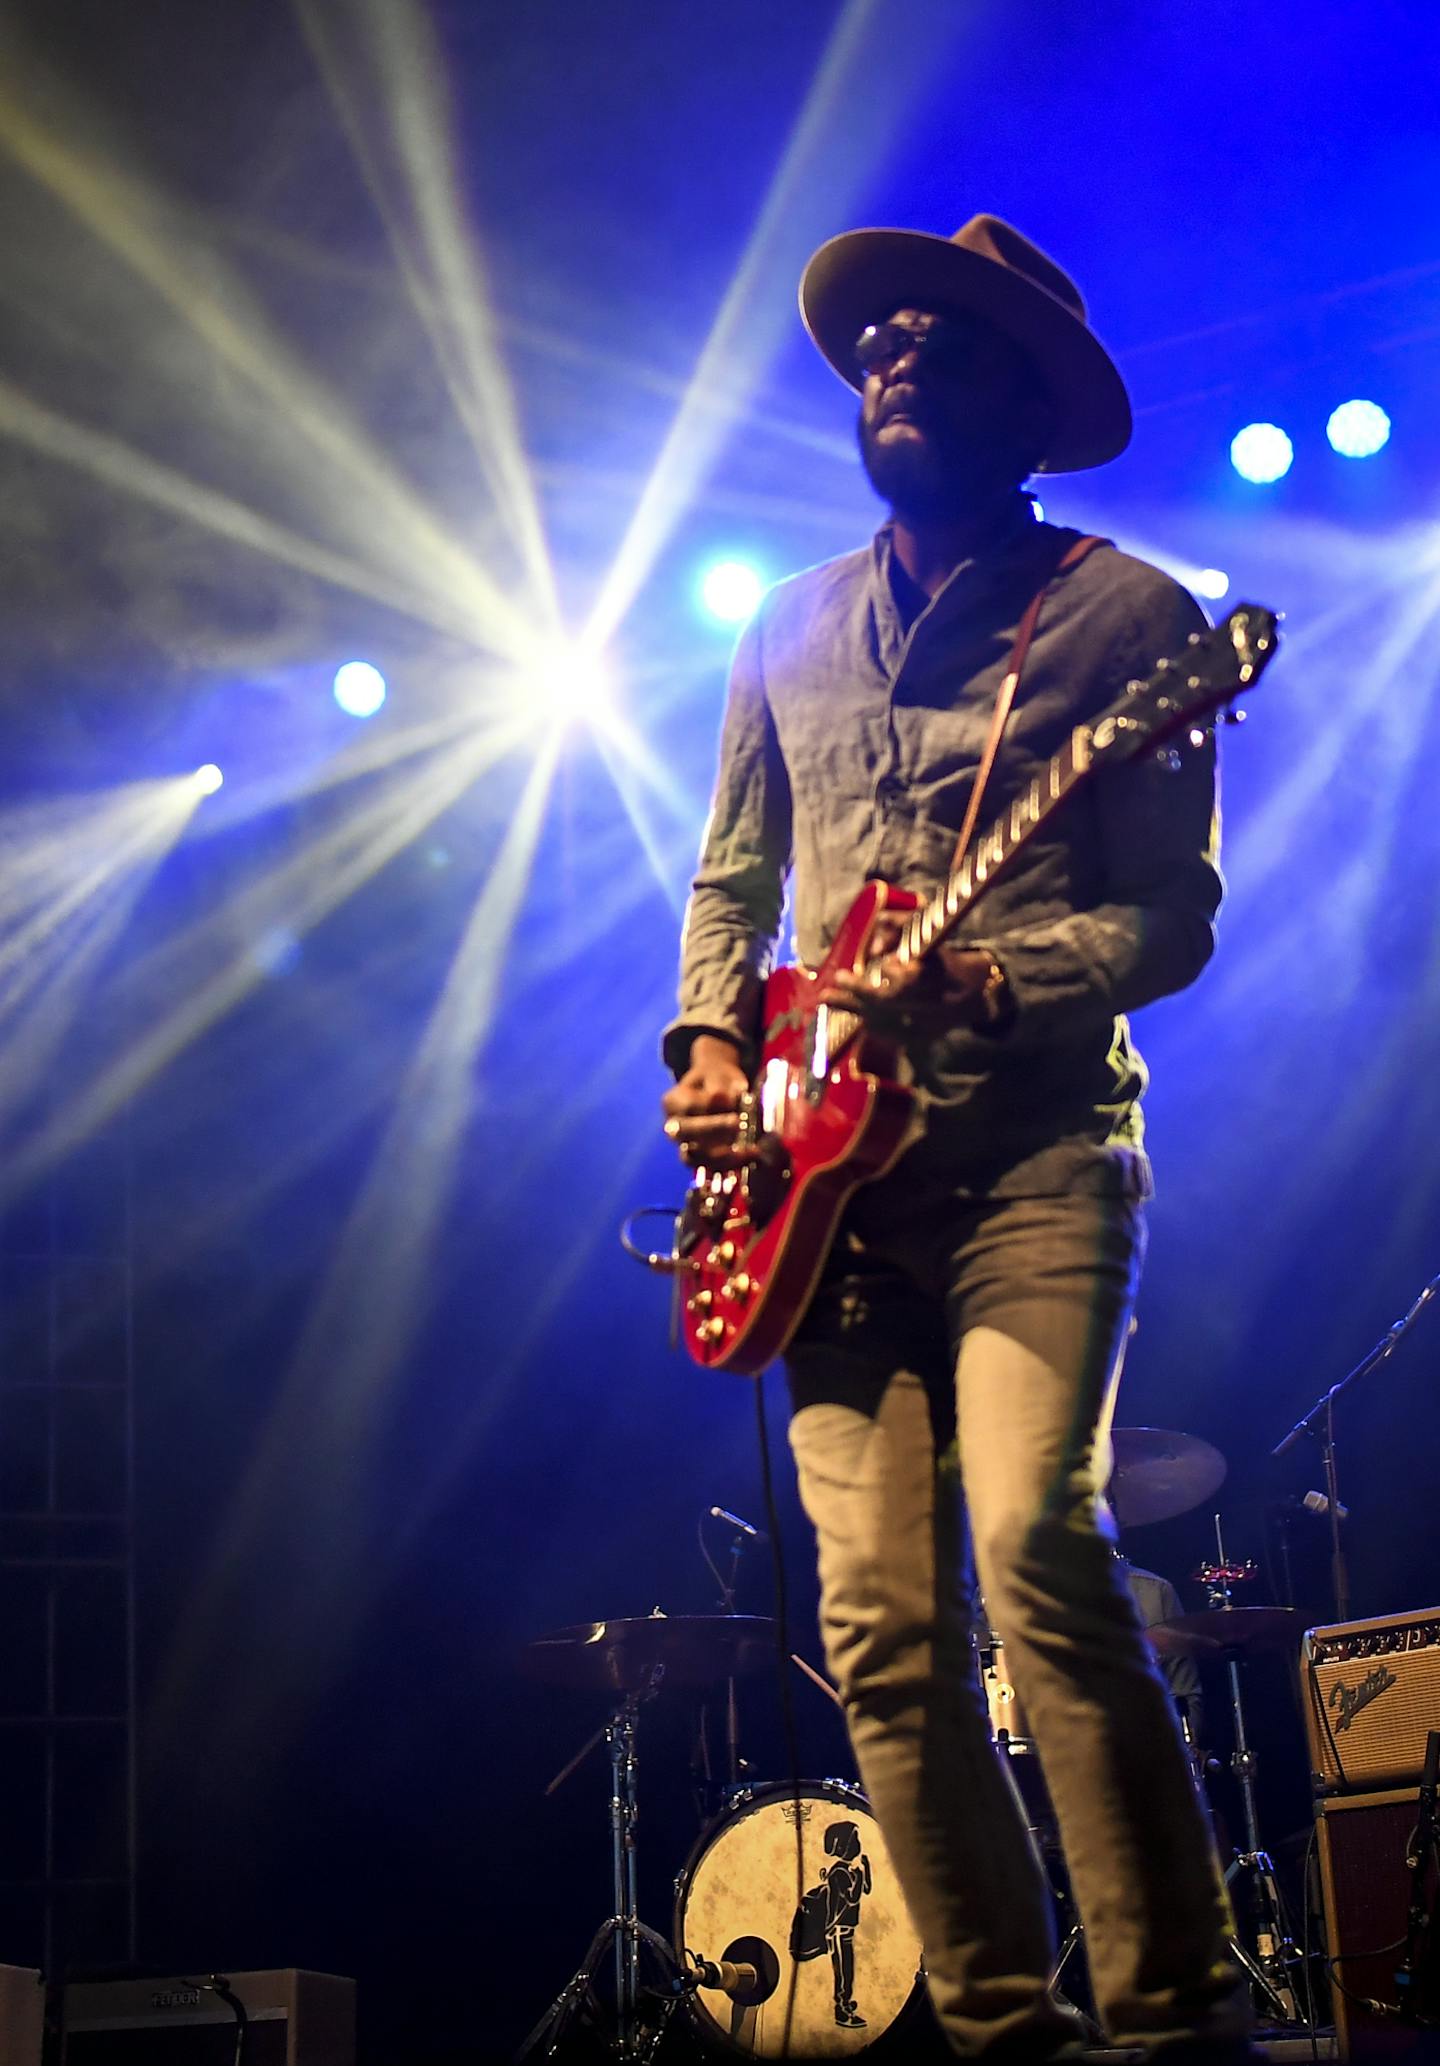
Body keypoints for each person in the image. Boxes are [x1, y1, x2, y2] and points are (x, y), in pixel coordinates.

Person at [660, 214, 1251, 2060]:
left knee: (1038, 1552)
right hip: (818, 1196)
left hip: (1036, 1165)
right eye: (877, 343)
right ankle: (1005, 2026)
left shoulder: (1133, 624)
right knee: (883, 1637)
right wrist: (703, 1045)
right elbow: (732, 878)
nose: (892, 361)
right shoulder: (780, 627)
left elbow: (1176, 915)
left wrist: (1014, 980)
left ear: (1026, 401)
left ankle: (1175, 2018)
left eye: (940, 342)